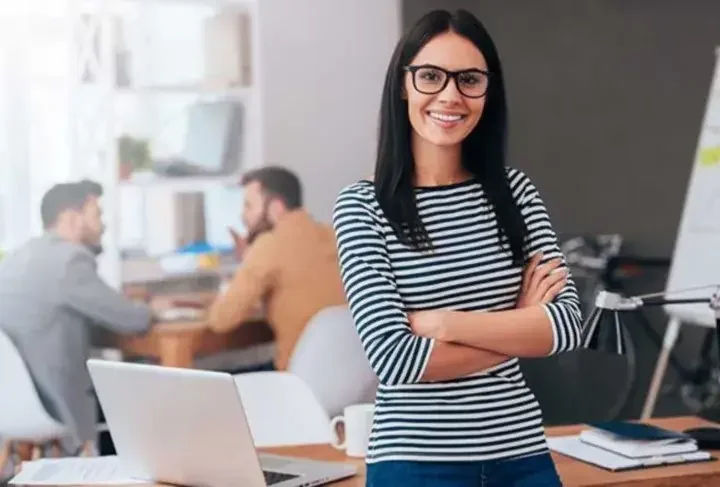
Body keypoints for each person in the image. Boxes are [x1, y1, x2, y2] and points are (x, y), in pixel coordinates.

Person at [332, 10, 582, 487]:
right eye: (430, 76)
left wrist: (446, 324)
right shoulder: (363, 206)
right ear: (403, 84)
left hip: (522, 455)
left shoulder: (516, 192)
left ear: (489, 91)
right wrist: (520, 322)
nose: (450, 95)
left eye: (469, 79)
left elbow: (567, 325)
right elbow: (395, 358)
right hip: (415, 463)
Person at [0, 180, 160, 454]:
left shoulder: (17, 257)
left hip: (10, 407)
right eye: (96, 215)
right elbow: (133, 320)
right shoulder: (69, 261)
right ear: (71, 219)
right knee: (146, 397)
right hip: (57, 404)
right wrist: (153, 307)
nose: (103, 225)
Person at [207, 166, 348, 372]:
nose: (243, 216)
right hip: (351, 381)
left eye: (248, 206)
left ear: (276, 207)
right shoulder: (335, 236)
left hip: (297, 382)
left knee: (213, 378)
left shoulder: (270, 245)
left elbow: (220, 319)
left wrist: (247, 262)